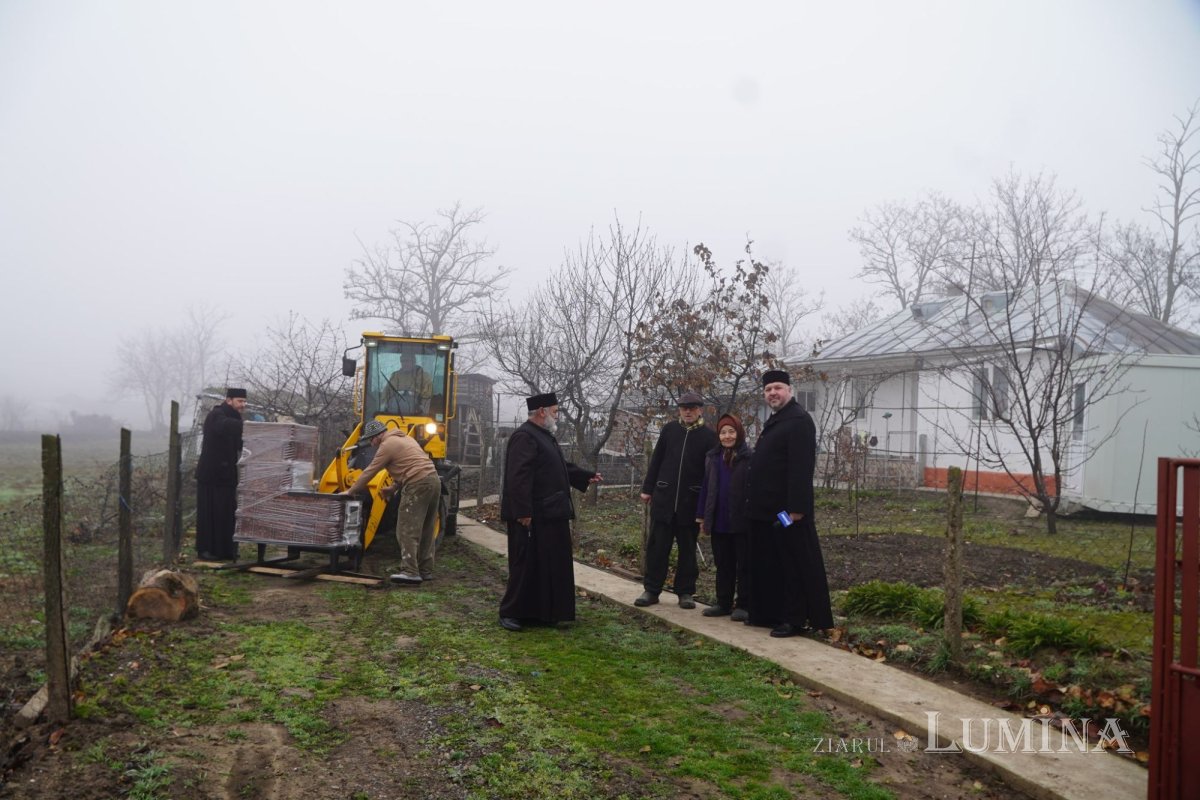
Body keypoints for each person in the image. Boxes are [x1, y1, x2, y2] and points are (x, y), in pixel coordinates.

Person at [498, 392, 602, 632]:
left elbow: (558, 467)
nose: (557, 416)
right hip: (531, 515)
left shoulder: (543, 436)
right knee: (524, 566)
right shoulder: (525, 437)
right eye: (555, 411)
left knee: (546, 566)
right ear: (542, 412)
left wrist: (584, 476)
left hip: (550, 514)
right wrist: (523, 511)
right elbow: (518, 477)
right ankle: (511, 612)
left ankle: (540, 612)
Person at [744, 369, 834, 637]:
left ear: (789, 391)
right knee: (769, 564)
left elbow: (800, 469)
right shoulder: (777, 420)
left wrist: (795, 510)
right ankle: (768, 614)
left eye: (778, 388)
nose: (773, 393)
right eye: (769, 389)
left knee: (791, 564)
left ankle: (793, 619)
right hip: (765, 511)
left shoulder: (799, 421)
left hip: (787, 513)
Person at [635, 391, 718, 609]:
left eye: (692, 408)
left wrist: (707, 502)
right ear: (679, 410)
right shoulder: (670, 430)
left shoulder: (709, 436)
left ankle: (685, 592)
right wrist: (647, 488)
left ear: (700, 410)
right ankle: (651, 590)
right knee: (657, 547)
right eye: (684, 408)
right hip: (664, 499)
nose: (688, 412)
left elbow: (711, 473)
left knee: (687, 549)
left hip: (690, 503)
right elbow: (657, 460)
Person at [345, 418, 442, 585]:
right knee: (427, 528)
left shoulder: (387, 445)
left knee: (406, 528)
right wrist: (393, 488)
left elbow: (370, 472)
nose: (371, 444)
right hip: (433, 481)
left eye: (371, 440)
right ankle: (425, 570)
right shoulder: (406, 439)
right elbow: (411, 465)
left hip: (417, 485)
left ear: (377, 436)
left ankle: (410, 571)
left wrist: (350, 491)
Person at [696, 413, 752, 621]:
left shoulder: (748, 457)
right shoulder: (713, 458)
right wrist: (702, 516)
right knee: (723, 564)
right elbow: (706, 488)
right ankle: (723, 602)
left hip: (741, 521)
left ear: (739, 433)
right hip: (719, 520)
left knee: (743, 564)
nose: (727, 436)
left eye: (731, 432)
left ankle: (744, 604)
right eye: (723, 432)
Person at [195, 387, 247, 561]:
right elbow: (224, 426)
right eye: (240, 401)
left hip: (227, 475)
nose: (243, 405)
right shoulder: (216, 415)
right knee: (209, 514)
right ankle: (205, 550)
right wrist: (251, 426)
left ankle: (225, 550)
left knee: (226, 513)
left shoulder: (235, 418)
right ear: (228, 400)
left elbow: (241, 444)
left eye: (244, 401)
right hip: (210, 475)